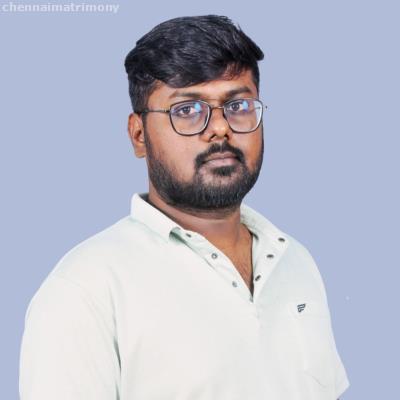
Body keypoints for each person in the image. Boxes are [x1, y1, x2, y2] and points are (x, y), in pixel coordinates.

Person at [19, 15, 349, 400]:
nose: (220, 128)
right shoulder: (86, 290)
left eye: (239, 105)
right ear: (138, 135)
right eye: (187, 110)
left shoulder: (295, 262)